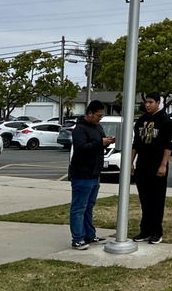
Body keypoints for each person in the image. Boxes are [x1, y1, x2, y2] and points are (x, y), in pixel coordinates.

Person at [68, 99, 114, 250]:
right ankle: (77, 238)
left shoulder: (97, 127)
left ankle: (89, 234)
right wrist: (100, 143)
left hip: (95, 173)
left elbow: (98, 144)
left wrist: (107, 142)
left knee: (89, 206)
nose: (100, 119)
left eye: (101, 116)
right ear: (90, 113)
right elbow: (81, 148)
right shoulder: (80, 129)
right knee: (79, 207)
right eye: (98, 115)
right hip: (82, 174)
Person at [131, 92, 172, 244]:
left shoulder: (165, 120)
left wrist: (163, 165)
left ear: (158, 103)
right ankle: (145, 231)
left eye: (150, 102)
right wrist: (131, 162)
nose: (147, 105)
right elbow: (136, 143)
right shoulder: (141, 120)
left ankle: (157, 232)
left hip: (157, 167)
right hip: (142, 165)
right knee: (145, 200)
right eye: (146, 102)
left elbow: (168, 146)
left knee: (157, 200)